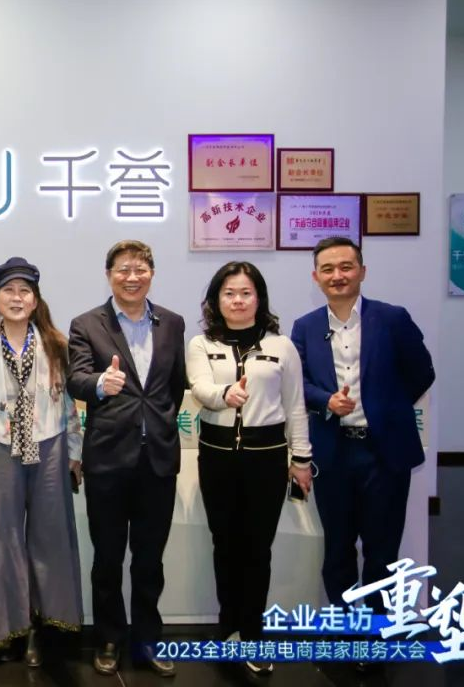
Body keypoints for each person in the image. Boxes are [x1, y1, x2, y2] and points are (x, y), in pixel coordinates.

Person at [291, 237, 434, 670]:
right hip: (333, 453)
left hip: (383, 453)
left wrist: (385, 406)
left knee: (382, 549)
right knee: (337, 549)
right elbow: (298, 384)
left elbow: (421, 371)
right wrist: (326, 401)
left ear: (362, 271)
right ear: (316, 277)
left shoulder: (392, 318)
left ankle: (375, 633)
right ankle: (344, 629)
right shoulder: (304, 326)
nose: (337, 275)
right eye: (328, 269)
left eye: (346, 266)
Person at [185, 261, 312, 676]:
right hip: (218, 458)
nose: (237, 300)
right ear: (216, 299)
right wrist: (224, 395)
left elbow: (295, 406)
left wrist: (301, 458)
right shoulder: (201, 343)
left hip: (266, 459)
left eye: (245, 293)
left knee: (258, 549)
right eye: (229, 293)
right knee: (225, 544)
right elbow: (200, 387)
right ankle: (229, 628)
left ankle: (253, 633)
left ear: (259, 298)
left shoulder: (282, 346)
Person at [66, 239, 186, 678]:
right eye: (122, 269)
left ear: (151, 273)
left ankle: (148, 640)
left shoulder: (172, 322)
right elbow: (76, 380)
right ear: (109, 274)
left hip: (158, 459)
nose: (132, 277)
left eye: (140, 269)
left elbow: (175, 387)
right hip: (108, 460)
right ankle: (109, 638)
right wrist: (102, 383)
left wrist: (156, 425)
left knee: (150, 559)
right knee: (108, 558)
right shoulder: (86, 324)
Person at [0, 257, 84, 666]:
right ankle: (4, 627)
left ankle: (44, 626)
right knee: (4, 535)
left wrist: (74, 452)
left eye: (24, 291)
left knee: (51, 534)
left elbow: (68, 403)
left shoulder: (55, 342)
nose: (16, 298)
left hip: (49, 445)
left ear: (35, 299)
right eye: (8, 291)